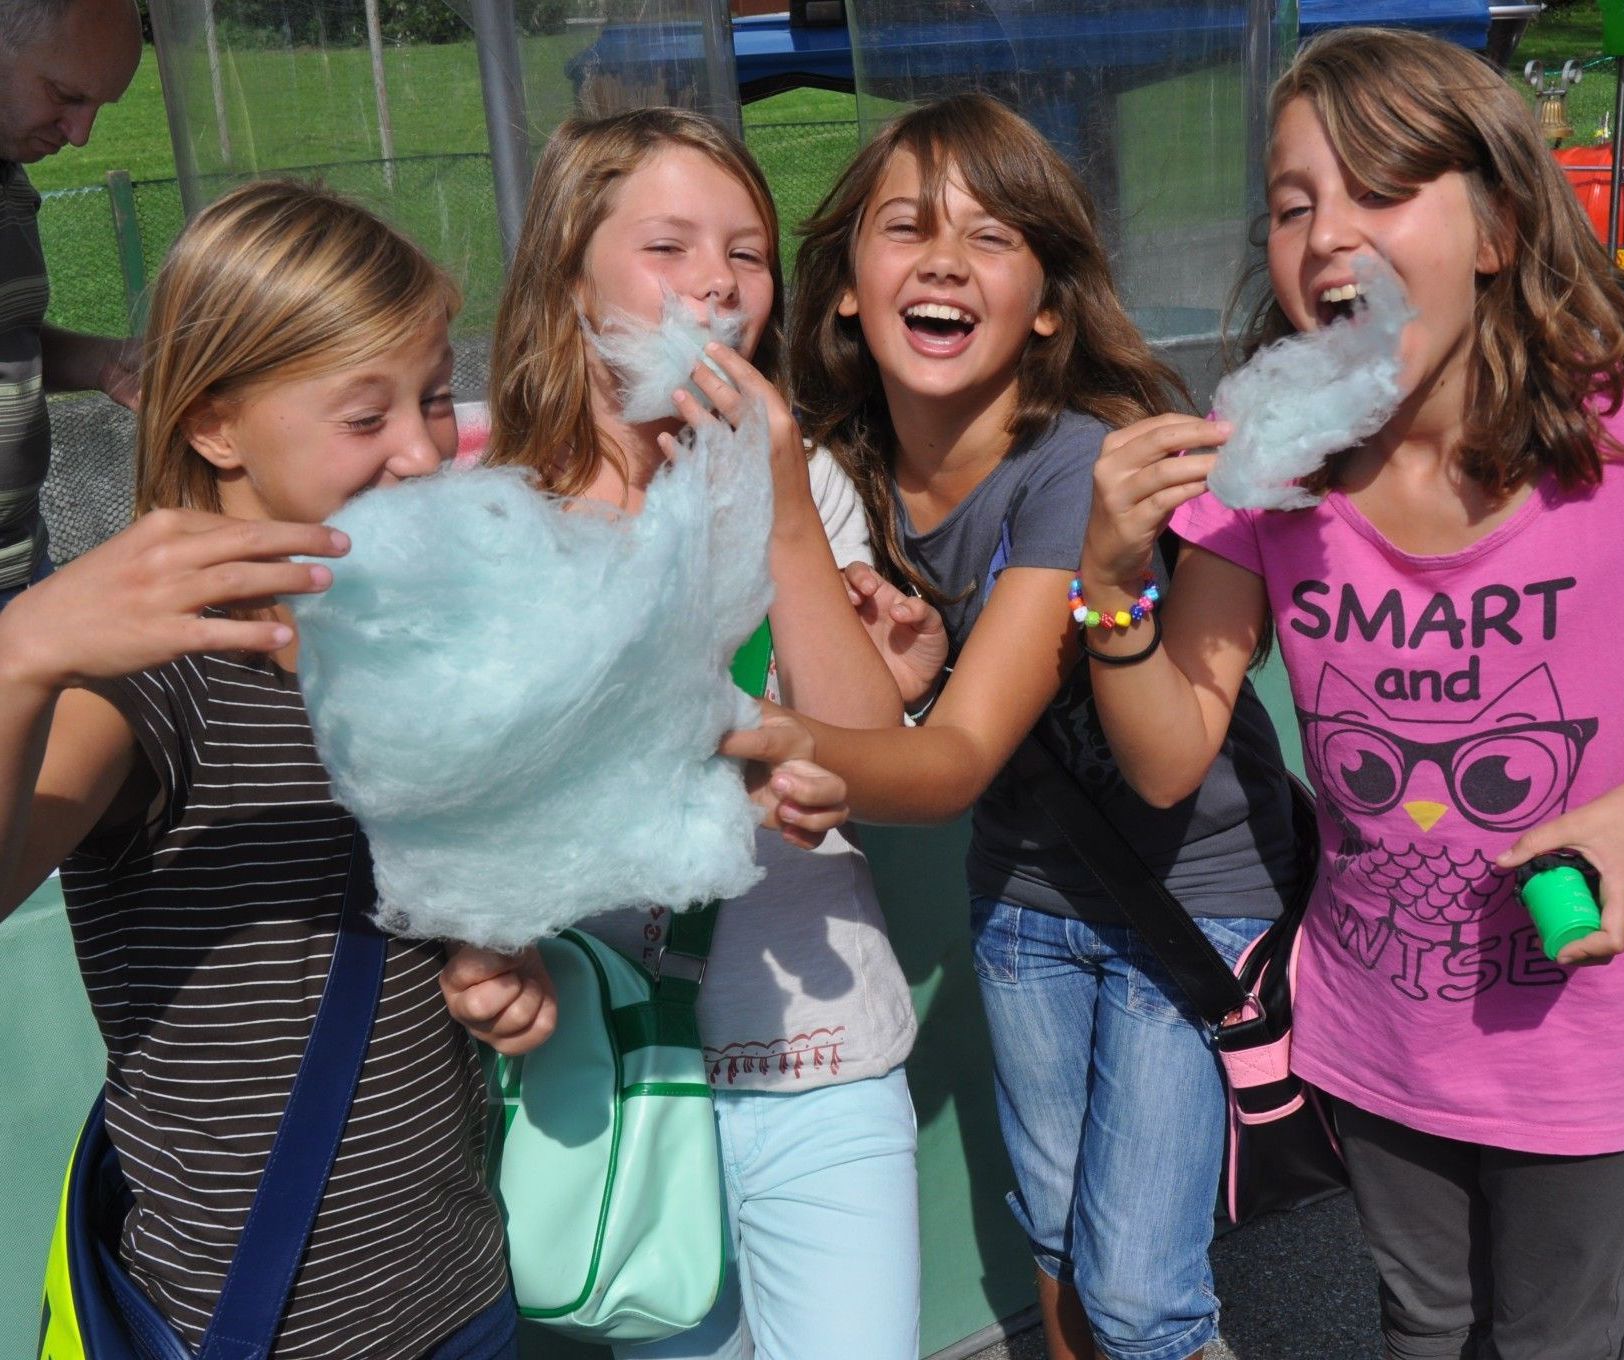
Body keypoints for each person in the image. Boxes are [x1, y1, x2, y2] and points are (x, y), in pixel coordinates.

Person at [0, 179, 845, 1355]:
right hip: (250, 1322)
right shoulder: (149, 682)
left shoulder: (432, 635)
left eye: (432, 395)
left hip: (459, 1293)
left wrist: (501, 962)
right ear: (214, 423)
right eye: (364, 416)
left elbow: (462, 889)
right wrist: (23, 653)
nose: (422, 449)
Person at [1080, 28, 1624, 1360]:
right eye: (1295, 202)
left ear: (1496, 231)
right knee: (1420, 1322)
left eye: (1380, 188)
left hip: (1581, 1024)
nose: (1326, 234)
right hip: (1374, 1025)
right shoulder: (1272, 482)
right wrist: (1108, 586)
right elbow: (1167, 756)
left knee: (1553, 1337)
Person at [765, 94, 1305, 1360]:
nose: (945, 256)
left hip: (1191, 892)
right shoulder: (845, 470)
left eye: (993, 236)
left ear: (1049, 306)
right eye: (906, 227)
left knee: (1138, 1295)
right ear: (846, 284)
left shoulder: (1073, 464)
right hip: (1024, 894)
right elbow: (916, 699)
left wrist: (738, 739)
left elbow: (947, 760)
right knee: (1056, 1235)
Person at [441, 109, 931, 1360]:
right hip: (608, 1071)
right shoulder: (488, 516)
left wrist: (769, 490)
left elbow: (866, 749)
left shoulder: (801, 481)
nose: (716, 280)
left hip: (822, 1058)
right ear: (569, 272)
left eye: (748, 253)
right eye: (669, 245)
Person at [0, 0, 146, 608]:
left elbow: (11, 337)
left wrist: (111, 361)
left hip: (20, 562)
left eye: (97, 107)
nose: (81, 135)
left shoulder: (10, 180)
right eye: (65, 95)